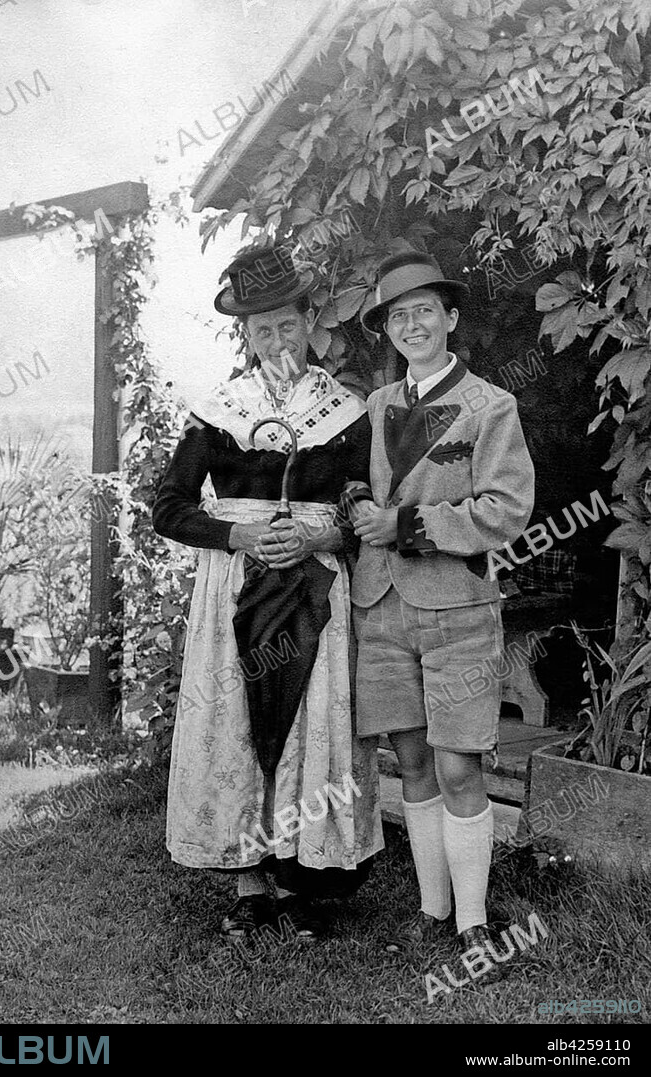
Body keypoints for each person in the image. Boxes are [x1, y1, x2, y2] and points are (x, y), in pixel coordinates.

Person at [152, 245, 383, 943]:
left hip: (314, 582)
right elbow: (168, 507)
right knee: (238, 720)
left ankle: (299, 877)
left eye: (287, 325)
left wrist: (323, 536)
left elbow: (366, 506)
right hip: (237, 584)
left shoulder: (345, 411)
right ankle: (249, 883)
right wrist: (240, 536)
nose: (277, 341)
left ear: (309, 323)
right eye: (261, 330)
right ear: (245, 335)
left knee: (308, 718)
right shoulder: (218, 412)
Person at [348, 250, 535, 958]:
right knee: (412, 762)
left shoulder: (491, 405)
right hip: (380, 606)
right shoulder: (374, 407)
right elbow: (352, 484)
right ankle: (432, 909)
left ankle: (473, 920)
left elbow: (505, 508)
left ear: (451, 318)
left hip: (457, 609)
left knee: (458, 765)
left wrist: (406, 525)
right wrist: (355, 504)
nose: (412, 325)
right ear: (388, 331)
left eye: (424, 310)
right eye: (398, 316)